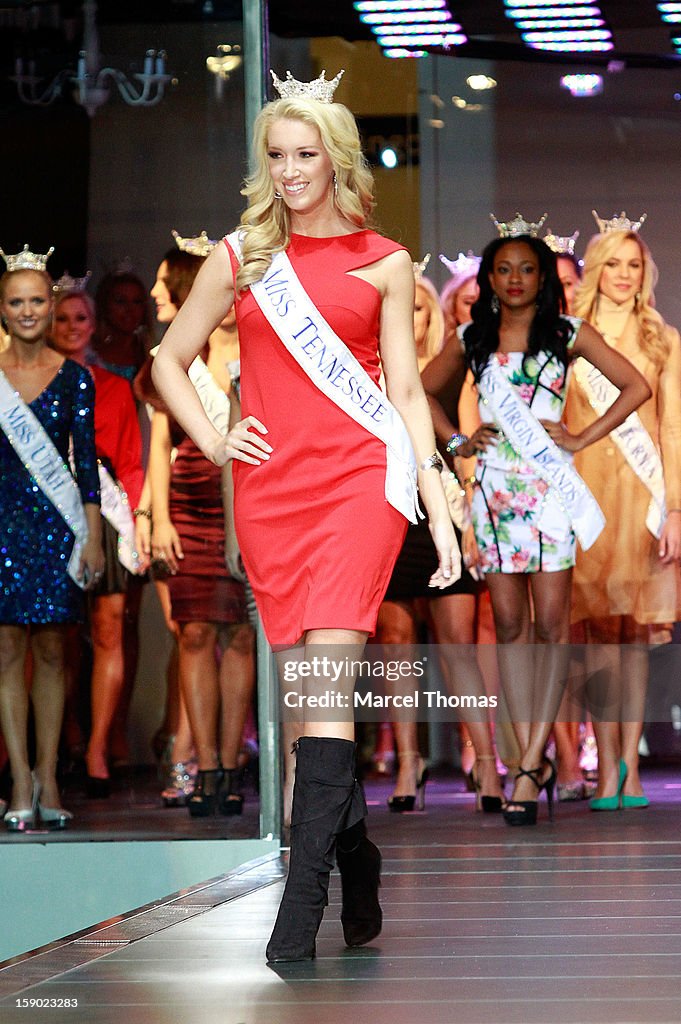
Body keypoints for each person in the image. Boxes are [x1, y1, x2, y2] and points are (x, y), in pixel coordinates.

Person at [152, 69, 457, 962]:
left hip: (361, 482)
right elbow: (170, 358)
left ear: (337, 159)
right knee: (305, 705)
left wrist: (437, 511)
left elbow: (402, 391)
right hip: (274, 490)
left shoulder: (386, 261)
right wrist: (214, 440)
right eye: (275, 156)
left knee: (320, 698)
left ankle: (297, 918)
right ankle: (354, 861)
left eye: (303, 155)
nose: (288, 172)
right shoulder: (242, 255)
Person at [427, 213, 650, 827]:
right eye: (505, 269)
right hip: (496, 492)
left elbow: (637, 386)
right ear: (491, 279)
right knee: (507, 628)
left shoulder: (568, 333)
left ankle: (529, 761)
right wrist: (457, 442)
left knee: (552, 627)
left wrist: (580, 437)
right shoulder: (473, 338)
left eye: (528, 269)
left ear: (543, 277)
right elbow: (420, 391)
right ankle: (528, 756)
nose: (516, 278)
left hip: (551, 490)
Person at [567, 211, 681, 809]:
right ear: (595, 269)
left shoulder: (662, 338)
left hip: (642, 498)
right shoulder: (568, 334)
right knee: (594, 639)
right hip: (585, 496)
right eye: (613, 263)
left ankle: (629, 769)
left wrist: (677, 511)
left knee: (633, 637)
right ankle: (604, 763)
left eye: (634, 265)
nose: (624, 275)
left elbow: (671, 427)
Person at [0, 247, 103, 830]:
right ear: (2, 310)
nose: (29, 310)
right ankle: (18, 779)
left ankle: (49, 774)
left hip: (54, 525)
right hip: (1, 526)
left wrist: (89, 534)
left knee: (52, 651)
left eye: (38, 300)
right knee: (8, 650)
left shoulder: (75, 379)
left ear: (52, 305)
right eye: (17, 302)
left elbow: (84, 463)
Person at [49, 285, 144, 798]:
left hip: (103, 513)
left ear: (93, 323)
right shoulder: (30, 385)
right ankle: (65, 736)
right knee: (55, 638)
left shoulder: (112, 386)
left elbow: (129, 459)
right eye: (61, 317)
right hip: (47, 515)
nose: (71, 325)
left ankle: (97, 750)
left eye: (80, 316)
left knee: (109, 629)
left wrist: (139, 523)